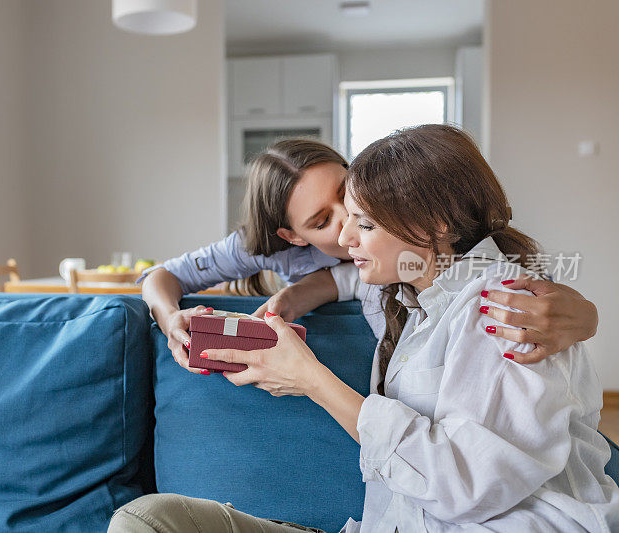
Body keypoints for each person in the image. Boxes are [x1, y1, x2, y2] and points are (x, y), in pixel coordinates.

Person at [113, 125, 618, 532]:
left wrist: (310, 378)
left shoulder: (507, 308)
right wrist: (282, 306)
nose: (345, 234)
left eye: (363, 220)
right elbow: (337, 280)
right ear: (291, 236)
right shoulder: (400, 289)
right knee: (146, 520)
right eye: (335, 219)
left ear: (433, 221)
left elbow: (464, 485)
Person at [141, 140, 598, 375]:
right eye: (322, 223)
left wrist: (584, 314)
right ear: (290, 237)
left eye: (349, 196)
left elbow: (496, 265)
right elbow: (161, 276)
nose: (347, 226)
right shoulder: (256, 247)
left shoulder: (413, 235)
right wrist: (168, 317)